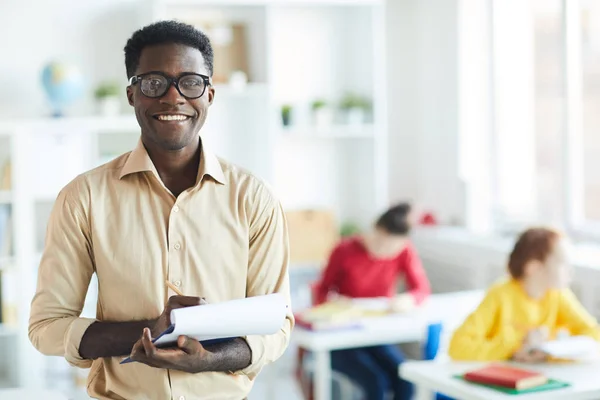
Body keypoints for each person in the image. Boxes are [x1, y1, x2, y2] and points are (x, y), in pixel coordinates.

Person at [28, 20, 293, 400]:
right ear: (131, 94)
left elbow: (276, 325)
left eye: (190, 82)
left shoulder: (254, 198)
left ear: (210, 95)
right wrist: (150, 329)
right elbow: (47, 327)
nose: (173, 98)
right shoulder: (83, 197)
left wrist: (207, 358)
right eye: (154, 82)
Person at [312, 203, 431, 400]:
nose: (385, 252)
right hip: (343, 340)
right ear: (375, 229)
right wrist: (335, 303)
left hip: (376, 337)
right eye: (382, 243)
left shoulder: (404, 251)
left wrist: (409, 299)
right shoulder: (344, 250)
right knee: (376, 381)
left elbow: (422, 290)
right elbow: (321, 292)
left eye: (393, 247)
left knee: (405, 378)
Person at [448, 227, 600, 362]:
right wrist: (514, 348)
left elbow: (593, 332)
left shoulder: (558, 295)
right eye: (562, 263)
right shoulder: (501, 294)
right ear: (534, 267)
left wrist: (547, 349)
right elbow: (458, 346)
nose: (570, 271)